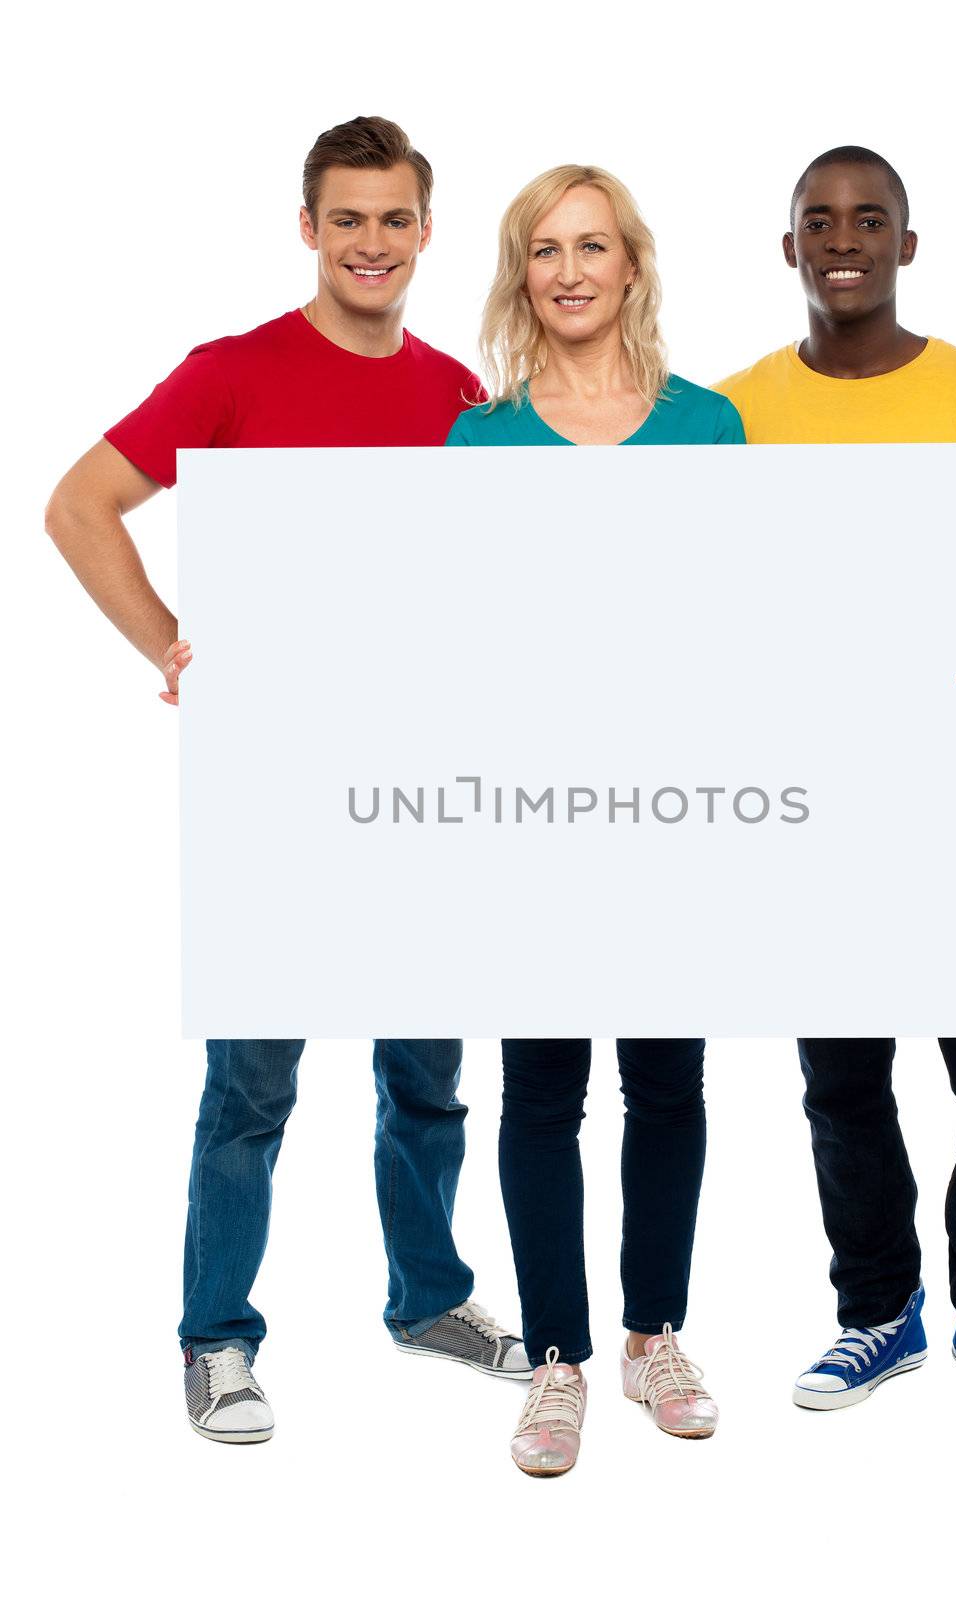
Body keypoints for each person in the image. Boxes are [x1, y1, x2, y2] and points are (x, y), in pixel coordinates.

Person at [44, 115, 529, 1446]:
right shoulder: (232, 373)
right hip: (277, 789)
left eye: (393, 219)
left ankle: (428, 1296)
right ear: (308, 228)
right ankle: (215, 1338)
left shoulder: (453, 396)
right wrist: (173, 649)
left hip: (427, 787)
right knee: (253, 1088)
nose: (370, 243)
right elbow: (77, 505)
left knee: (426, 1072)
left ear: (425, 232)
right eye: (346, 219)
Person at [715, 146, 956, 1437]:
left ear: (906, 245)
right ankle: (878, 1310)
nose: (843, 238)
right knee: (842, 1085)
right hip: (815, 822)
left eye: (869, 218)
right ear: (788, 250)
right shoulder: (735, 411)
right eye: (818, 220)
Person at [447, 165, 742, 1476]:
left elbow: (765, 614)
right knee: (541, 1089)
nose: (569, 270)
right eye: (543, 250)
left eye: (593, 245)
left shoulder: (708, 427)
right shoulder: (481, 441)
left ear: (631, 265)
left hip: (675, 813)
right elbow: (433, 634)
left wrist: (888, 665)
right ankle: (557, 1359)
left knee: (667, 1080)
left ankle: (651, 1338)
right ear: (521, 276)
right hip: (529, 813)